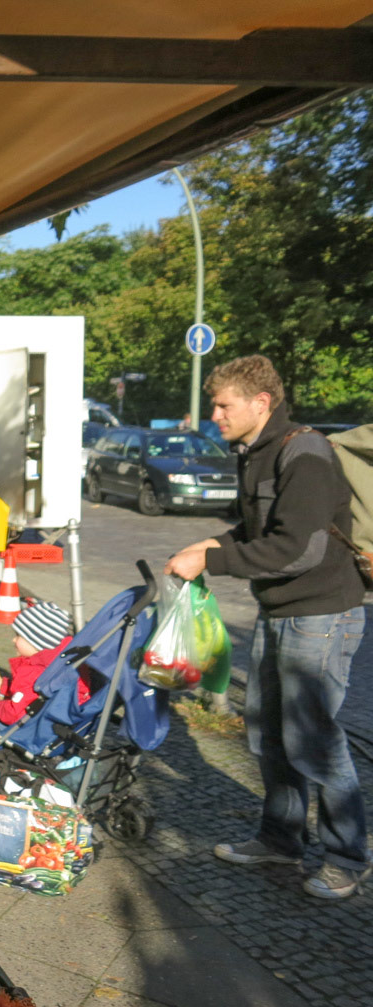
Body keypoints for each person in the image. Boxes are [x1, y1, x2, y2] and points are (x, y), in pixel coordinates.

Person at [165, 355, 367, 900]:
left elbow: (299, 548)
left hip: (322, 614)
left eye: (223, 404)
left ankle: (348, 857)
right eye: (214, 404)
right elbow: (257, 528)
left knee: (313, 738)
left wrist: (213, 561)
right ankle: (280, 839)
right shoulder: (255, 452)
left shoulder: (306, 454)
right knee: (268, 732)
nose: (214, 415)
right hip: (281, 611)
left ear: (262, 402)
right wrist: (215, 544)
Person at [0, 601, 85, 754]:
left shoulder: (34, 671)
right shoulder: (61, 661)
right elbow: (30, 694)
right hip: (56, 726)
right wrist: (4, 685)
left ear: (37, 641)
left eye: (18, 636)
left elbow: (14, 713)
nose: (13, 640)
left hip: (35, 730)